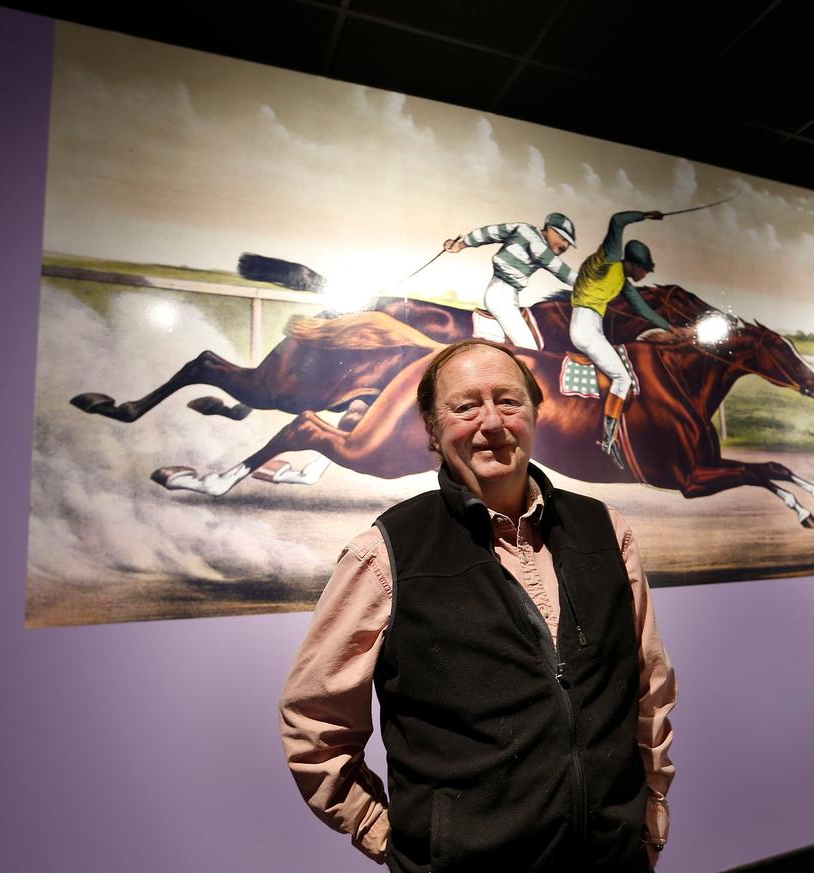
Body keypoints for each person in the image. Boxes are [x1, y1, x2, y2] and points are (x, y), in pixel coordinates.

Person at [279, 339, 676, 872]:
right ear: (432, 427)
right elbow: (314, 720)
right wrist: (387, 834)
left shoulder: (606, 531)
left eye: (509, 401)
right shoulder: (386, 553)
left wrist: (651, 810)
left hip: (612, 860)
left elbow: (650, 687)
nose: (492, 422)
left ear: (536, 412)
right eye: (466, 406)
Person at [570, 211, 678, 469]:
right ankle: (608, 441)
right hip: (585, 326)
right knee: (623, 378)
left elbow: (642, 308)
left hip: (591, 326)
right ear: (636, 264)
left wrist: (671, 328)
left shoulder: (622, 282)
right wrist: (647, 215)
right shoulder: (609, 259)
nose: (645, 275)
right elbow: (617, 220)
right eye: (645, 270)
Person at [443, 213, 578, 349]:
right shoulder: (536, 244)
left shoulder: (523, 228)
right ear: (548, 229)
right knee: (529, 348)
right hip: (501, 294)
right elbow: (560, 270)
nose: (564, 245)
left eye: (568, 243)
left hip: (506, 293)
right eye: (562, 238)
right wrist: (588, 286)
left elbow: (489, 232)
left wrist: (462, 244)